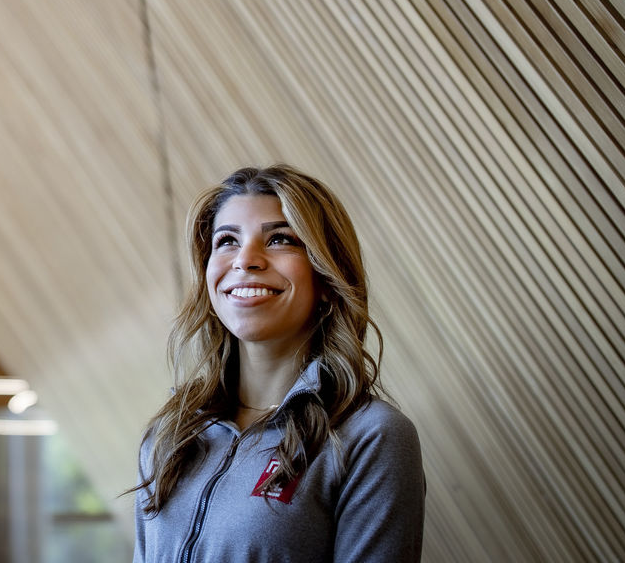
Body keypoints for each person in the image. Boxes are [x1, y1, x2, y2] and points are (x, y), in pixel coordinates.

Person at [132, 165, 424, 562]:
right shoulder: (170, 435)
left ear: (326, 277)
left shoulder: (370, 437)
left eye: (280, 239)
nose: (246, 260)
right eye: (227, 241)